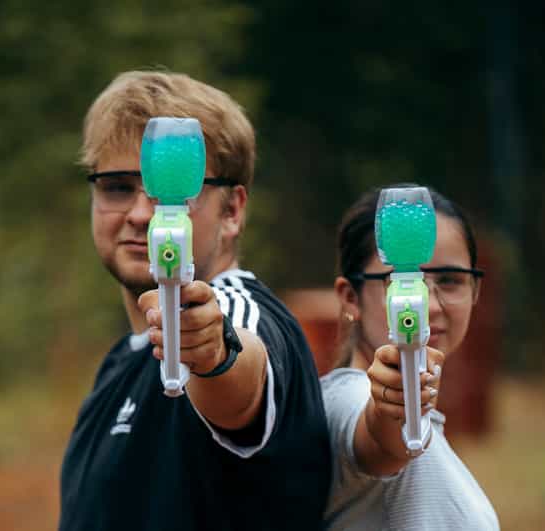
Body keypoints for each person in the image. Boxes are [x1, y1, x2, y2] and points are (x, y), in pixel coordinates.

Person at [58, 71, 331, 531]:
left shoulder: (241, 312)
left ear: (233, 211)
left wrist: (212, 354)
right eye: (118, 187)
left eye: (173, 191)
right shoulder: (121, 361)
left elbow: (240, 368)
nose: (142, 214)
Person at [322, 185, 499, 530]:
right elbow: (383, 437)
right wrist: (393, 402)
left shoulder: (432, 424)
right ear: (350, 298)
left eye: (450, 280)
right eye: (398, 281)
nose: (426, 305)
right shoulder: (344, 399)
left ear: (475, 289)